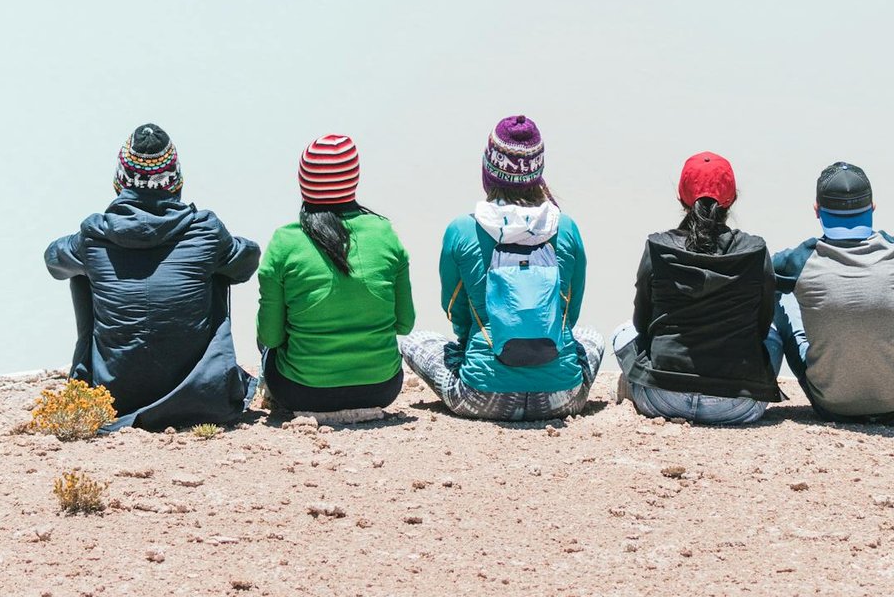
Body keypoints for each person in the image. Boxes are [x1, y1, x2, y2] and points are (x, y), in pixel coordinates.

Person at [44, 124, 260, 430]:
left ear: (120, 181)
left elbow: (53, 261)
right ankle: (199, 379)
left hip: (114, 397)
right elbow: (247, 262)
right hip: (199, 397)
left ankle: (88, 382)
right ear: (176, 181)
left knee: (81, 271)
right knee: (215, 270)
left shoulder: (94, 236)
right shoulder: (205, 231)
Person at [399, 115, 604, 421]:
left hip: (483, 396)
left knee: (414, 341)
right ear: (539, 172)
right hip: (563, 397)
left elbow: (455, 312)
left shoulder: (463, 229)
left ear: (488, 170)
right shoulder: (567, 227)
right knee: (592, 336)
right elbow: (569, 316)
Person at [769, 161, 894, 424]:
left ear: (817, 211)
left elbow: (757, 273)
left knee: (774, 290)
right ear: (873, 208)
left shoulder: (799, 260)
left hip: (831, 406)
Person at [611, 151, 780, 425]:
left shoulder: (657, 246)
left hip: (662, 399)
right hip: (739, 405)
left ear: (681, 197)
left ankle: (633, 386)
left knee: (621, 332)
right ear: (733, 198)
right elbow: (761, 327)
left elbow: (641, 324)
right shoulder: (756, 250)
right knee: (773, 336)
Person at [254, 134, 414, 417]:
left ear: (303, 182)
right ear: (354, 180)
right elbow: (404, 323)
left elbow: (270, 335)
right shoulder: (385, 234)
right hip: (381, 388)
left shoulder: (284, 241)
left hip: (300, 392)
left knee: (267, 345)